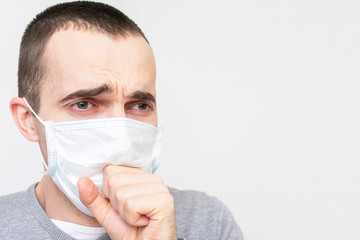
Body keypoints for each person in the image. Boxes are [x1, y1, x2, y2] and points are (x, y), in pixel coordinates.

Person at [0, 1, 243, 239]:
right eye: (84, 104)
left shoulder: (210, 222)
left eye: (139, 105)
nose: (121, 142)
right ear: (28, 120)